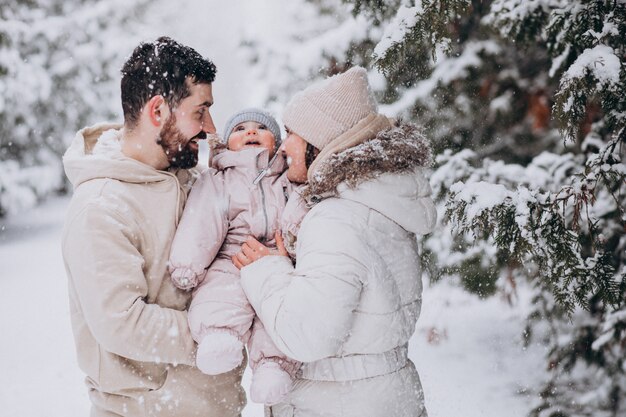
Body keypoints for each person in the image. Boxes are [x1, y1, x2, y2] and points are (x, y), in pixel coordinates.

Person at [233, 66, 437, 417]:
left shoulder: (335, 220)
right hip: (380, 394)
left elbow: (305, 336)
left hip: (337, 401)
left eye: (293, 134)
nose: (284, 146)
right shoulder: (376, 203)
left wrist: (266, 269)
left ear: (319, 143)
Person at [61, 37, 245, 417]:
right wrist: (220, 330)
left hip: (216, 406)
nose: (211, 127)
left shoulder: (194, 182)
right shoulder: (101, 209)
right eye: (200, 111)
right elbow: (123, 322)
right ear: (158, 110)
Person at [168, 108, 302, 406]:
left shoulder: (287, 179)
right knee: (221, 291)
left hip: (277, 259)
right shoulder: (219, 180)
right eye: (241, 128)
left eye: (260, 128)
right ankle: (219, 335)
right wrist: (188, 264)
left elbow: (300, 217)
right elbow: (202, 220)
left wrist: (292, 252)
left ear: (277, 142)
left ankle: (274, 366)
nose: (251, 132)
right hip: (233, 256)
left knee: (277, 312)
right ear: (227, 144)